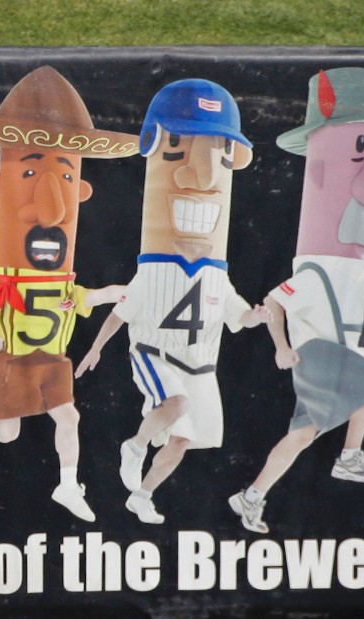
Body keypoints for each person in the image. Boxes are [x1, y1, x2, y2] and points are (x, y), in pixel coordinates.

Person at [0, 66, 138, 522]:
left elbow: (95, 296)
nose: (51, 208)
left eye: (64, 180)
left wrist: (127, 292)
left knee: (69, 418)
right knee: (5, 435)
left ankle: (66, 484)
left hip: (50, 360)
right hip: (7, 360)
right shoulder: (7, 280)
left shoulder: (62, 283)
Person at [228, 68, 364, 534]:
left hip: (343, 357)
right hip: (319, 358)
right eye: (363, 147)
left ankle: (251, 496)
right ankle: (350, 456)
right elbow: (274, 302)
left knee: (301, 435)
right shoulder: (315, 272)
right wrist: (280, 346)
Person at [76, 79, 268, 524]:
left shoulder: (218, 275)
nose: (204, 174)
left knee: (182, 439)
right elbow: (120, 314)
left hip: (200, 366)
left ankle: (142, 494)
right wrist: (96, 349)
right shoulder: (153, 271)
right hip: (154, 354)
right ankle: (135, 445)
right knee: (176, 406)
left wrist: (259, 316)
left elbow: (239, 315)